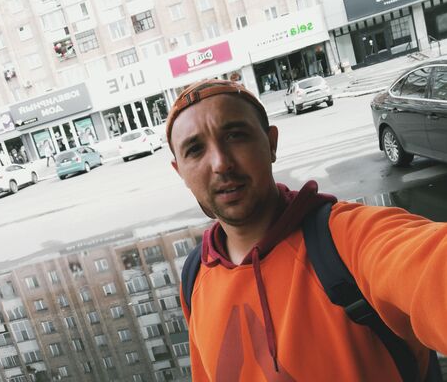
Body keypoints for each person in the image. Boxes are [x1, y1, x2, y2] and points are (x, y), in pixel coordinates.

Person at [166, 79, 447, 381]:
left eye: (235, 135)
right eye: (195, 149)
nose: (221, 163)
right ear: (179, 171)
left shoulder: (346, 240)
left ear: (271, 143)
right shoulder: (194, 278)